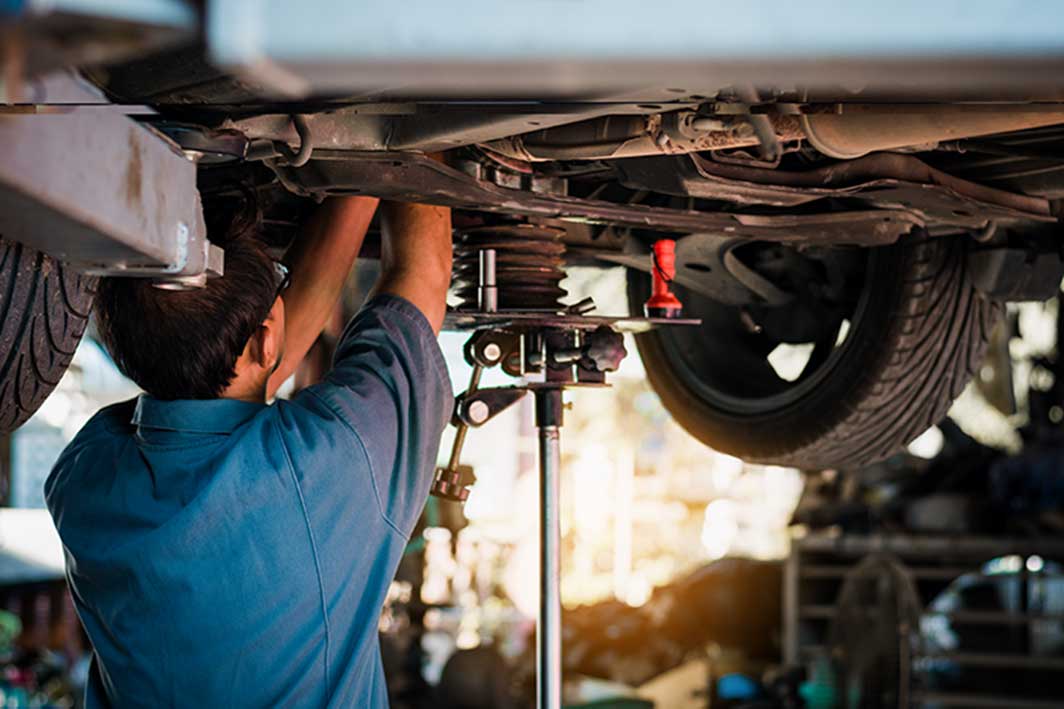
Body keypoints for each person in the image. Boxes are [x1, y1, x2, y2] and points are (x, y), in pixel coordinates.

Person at [44, 196, 454, 707]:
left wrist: (388, 159)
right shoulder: (83, 476)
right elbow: (244, 371)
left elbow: (421, 276)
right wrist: (369, 163)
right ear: (265, 341)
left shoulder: (84, 482)